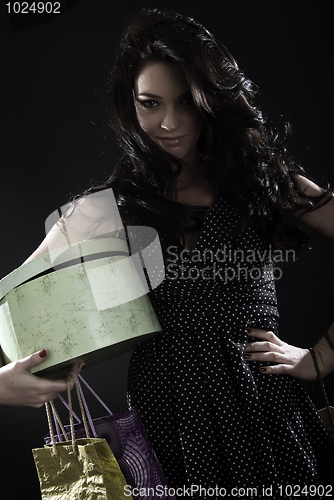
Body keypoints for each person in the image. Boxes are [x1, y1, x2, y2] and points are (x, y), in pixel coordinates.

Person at [2, 6, 333, 492]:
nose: (170, 122)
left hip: (265, 412)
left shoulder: (267, 184)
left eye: (188, 101)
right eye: (150, 103)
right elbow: (10, 297)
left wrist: (322, 357)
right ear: (128, 104)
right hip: (166, 424)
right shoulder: (107, 209)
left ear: (213, 100)